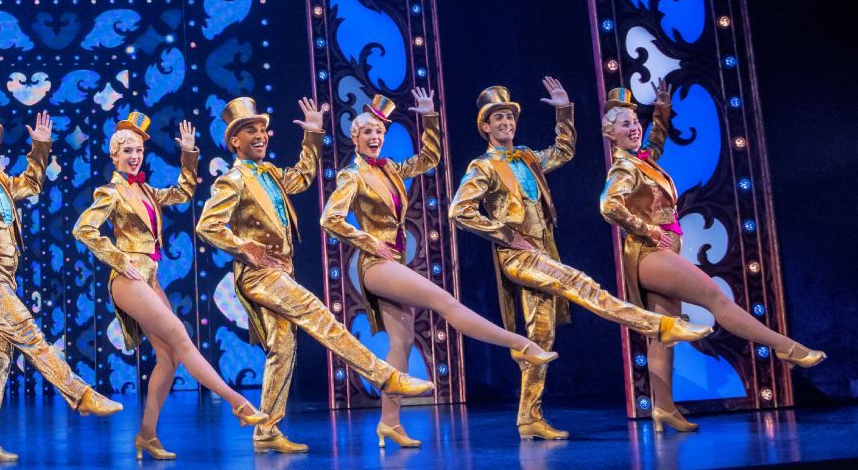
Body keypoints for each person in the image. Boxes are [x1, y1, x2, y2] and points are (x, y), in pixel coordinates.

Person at [450, 78, 710, 441]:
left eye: (509, 117)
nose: (506, 122)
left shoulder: (526, 156)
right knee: (581, 284)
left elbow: (564, 151)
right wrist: (506, 234)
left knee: (541, 336)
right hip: (518, 256)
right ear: (486, 127)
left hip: (542, 252)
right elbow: (459, 211)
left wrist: (563, 110)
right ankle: (659, 324)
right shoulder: (483, 166)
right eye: (498, 118)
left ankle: (529, 418)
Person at [196, 96, 433, 454]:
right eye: (250, 131)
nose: (259, 135)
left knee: (283, 348)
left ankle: (267, 431)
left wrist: (313, 134)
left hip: (280, 271)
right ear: (234, 141)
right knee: (318, 315)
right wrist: (245, 247)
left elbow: (304, 177)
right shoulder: (231, 181)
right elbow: (207, 226)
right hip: (259, 274)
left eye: (262, 129)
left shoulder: (270, 174)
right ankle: (385, 376)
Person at [319, 90, 554, 448]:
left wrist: (429, 117)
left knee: (401, 342)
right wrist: (368, 241)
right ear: (355, 137)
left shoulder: (390, 168)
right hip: (375, 263)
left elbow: (430, 158)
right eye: (367, 132)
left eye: (379, 132)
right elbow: (329, 219)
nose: (375, 137)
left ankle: (389, 423)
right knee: (445, 301)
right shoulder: (352, 176)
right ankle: (521, 345)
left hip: (394, 261)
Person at [597, 85, 822, 433]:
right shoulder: (623, 169)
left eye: (635, 121)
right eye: (625, 124)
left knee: (663, 333)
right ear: (611, 133)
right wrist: (650, 231)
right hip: (649, 254)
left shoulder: (642, 161)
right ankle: (784, 347)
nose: (634, 127)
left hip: (661, 252)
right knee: (715, 297)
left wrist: (661, 111)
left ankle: (663, 408)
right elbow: (609, 206)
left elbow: (655, 142)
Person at [0, 107, 122, 464]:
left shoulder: (0, 181)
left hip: (3, 279)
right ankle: (79, 394)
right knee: (28, 333)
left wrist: (40, 148)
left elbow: (31, 184)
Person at [73, 112, 267, 460]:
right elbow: (83, 229)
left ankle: (147, 436)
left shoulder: (145, 189)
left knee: (168, 357)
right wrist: (119, 259)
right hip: (128, 278)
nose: (135, 156)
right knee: (180, 338)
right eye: (127, 151)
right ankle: (238, 403)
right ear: (114, 156)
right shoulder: (110, 192)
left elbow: (183, 192)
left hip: (150, 278)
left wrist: (188, 154)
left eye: (138, 151)